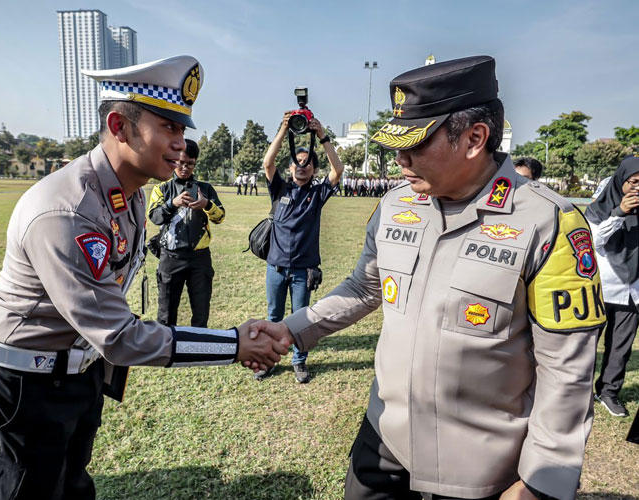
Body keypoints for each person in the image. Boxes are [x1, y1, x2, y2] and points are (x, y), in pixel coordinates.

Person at [250, 56, 604, 499]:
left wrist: (541, 482)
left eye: (415, 145)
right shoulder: (397, 203)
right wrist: (292, 329)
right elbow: (365, 286)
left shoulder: (549, 223)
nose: (399, 160)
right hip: (384, 441)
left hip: (480, 469)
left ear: (475, 138)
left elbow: (567, 368)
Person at [0, 55, 287, 500]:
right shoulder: (68, 209)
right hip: (22, 386)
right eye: (168, 128)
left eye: (183, 130)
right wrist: (234, 344)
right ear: (120, 126)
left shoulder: (125, 194)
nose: (181, 144)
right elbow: (118, 334)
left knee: (74, 487)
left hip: (77, 372)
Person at [255, 110, 344, 383]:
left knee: (301, 318)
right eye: (298, 162)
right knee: (273, 315)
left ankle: (299, 361)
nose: (302, 166)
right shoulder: (280, 189)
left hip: (302, 270)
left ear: (314, 169)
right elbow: (267, 163)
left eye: (308, 163)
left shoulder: (317, 194)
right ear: (291, 167)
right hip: (276, 267)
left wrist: (322, 135)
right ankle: (269, 361)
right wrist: (283, 129)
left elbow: (338, 170)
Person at [147, 138, 225, 328]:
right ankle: (166, 353)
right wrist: (173, 203)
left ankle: (198, 352)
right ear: (174, 161)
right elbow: (154, 217)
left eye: (190, 164)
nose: (185, 168)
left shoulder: (205, 189)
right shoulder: (162, 188)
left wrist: (206, 204)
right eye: (181, 163)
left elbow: (220, 217)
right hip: (171, 258)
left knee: (201, 312)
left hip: (200, 258)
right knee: (166, 313)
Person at [585, 155, 639, 418]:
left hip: (633, 290)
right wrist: (619, 213)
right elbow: (593, 241)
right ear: (621, 181)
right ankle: (580, 392)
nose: (638, 188)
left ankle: (608, 392)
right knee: (587, 343)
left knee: (620, 346)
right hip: (603, 286)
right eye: (634, 182)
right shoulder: (600, 206)